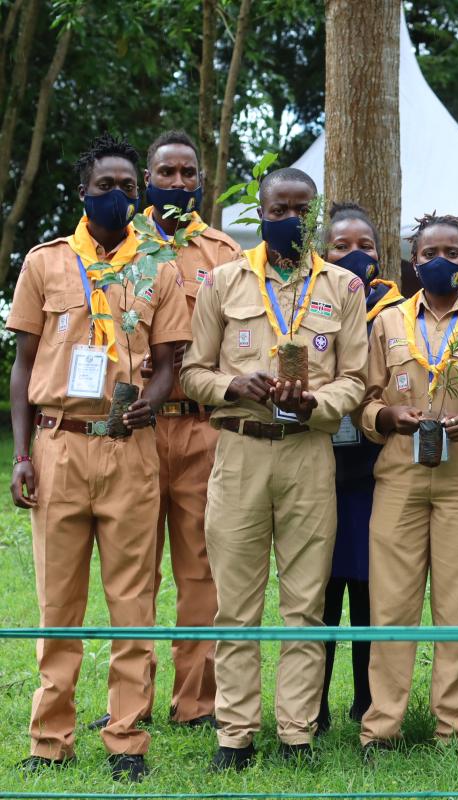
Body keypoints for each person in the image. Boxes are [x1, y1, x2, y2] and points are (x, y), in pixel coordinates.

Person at [7, 133, 192, 781]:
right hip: (59, 446)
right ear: (83, 192)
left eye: (127, 188)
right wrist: (22, 455)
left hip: (129, 447)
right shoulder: (46, 263)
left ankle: (125, 737)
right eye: (105, 186)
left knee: (131, 600)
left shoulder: (157, 267)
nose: (118, 196)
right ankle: (49, 738)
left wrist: (155, 400)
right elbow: (23, 365)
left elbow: (171, 364)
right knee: (59, 604)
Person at [180, 167, 368, 769]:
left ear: (313, 216)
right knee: (236, 603)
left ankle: (296, 735)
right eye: (278, 208)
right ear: (260, 212)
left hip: (308, 453)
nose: (290, 219)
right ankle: (234, 736)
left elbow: (357, 380)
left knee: (304, 602)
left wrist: (317, 402)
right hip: (240, 450)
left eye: (301, 209)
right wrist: (235, 384)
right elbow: (192, 372)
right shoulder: (223, 281)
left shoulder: (342, 287)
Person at [83, 130, 241, 735]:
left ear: (201, 180)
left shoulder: (223, 254)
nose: (177, 183)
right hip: (135, 430)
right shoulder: (121, 244)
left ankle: (197, 701)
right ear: (147, 178)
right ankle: (132, 701)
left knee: (201, 570)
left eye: (188, 173)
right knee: (134, 570)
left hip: (201, 430)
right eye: (166, 172)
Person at [356, 214, 458, 752]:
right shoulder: (388, 322)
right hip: (399, 475)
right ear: (414, 263)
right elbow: (365, 399)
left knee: (457, 604)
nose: (442, 261)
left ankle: (452, 727)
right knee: (391, 605)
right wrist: (387, 418)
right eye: (430, 253)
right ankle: (382, 727)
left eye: (454, 252)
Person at [315, 202, 404, 734]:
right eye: (341, 246)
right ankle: (314, 705)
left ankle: (369, 702)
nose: (354, 255)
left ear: (380, 254)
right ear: (323, 253)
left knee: (373, 592)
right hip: (320, 469)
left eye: (364, 246)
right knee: (321, 592)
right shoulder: (308, 307)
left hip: (378, 474)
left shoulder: (399, 315)